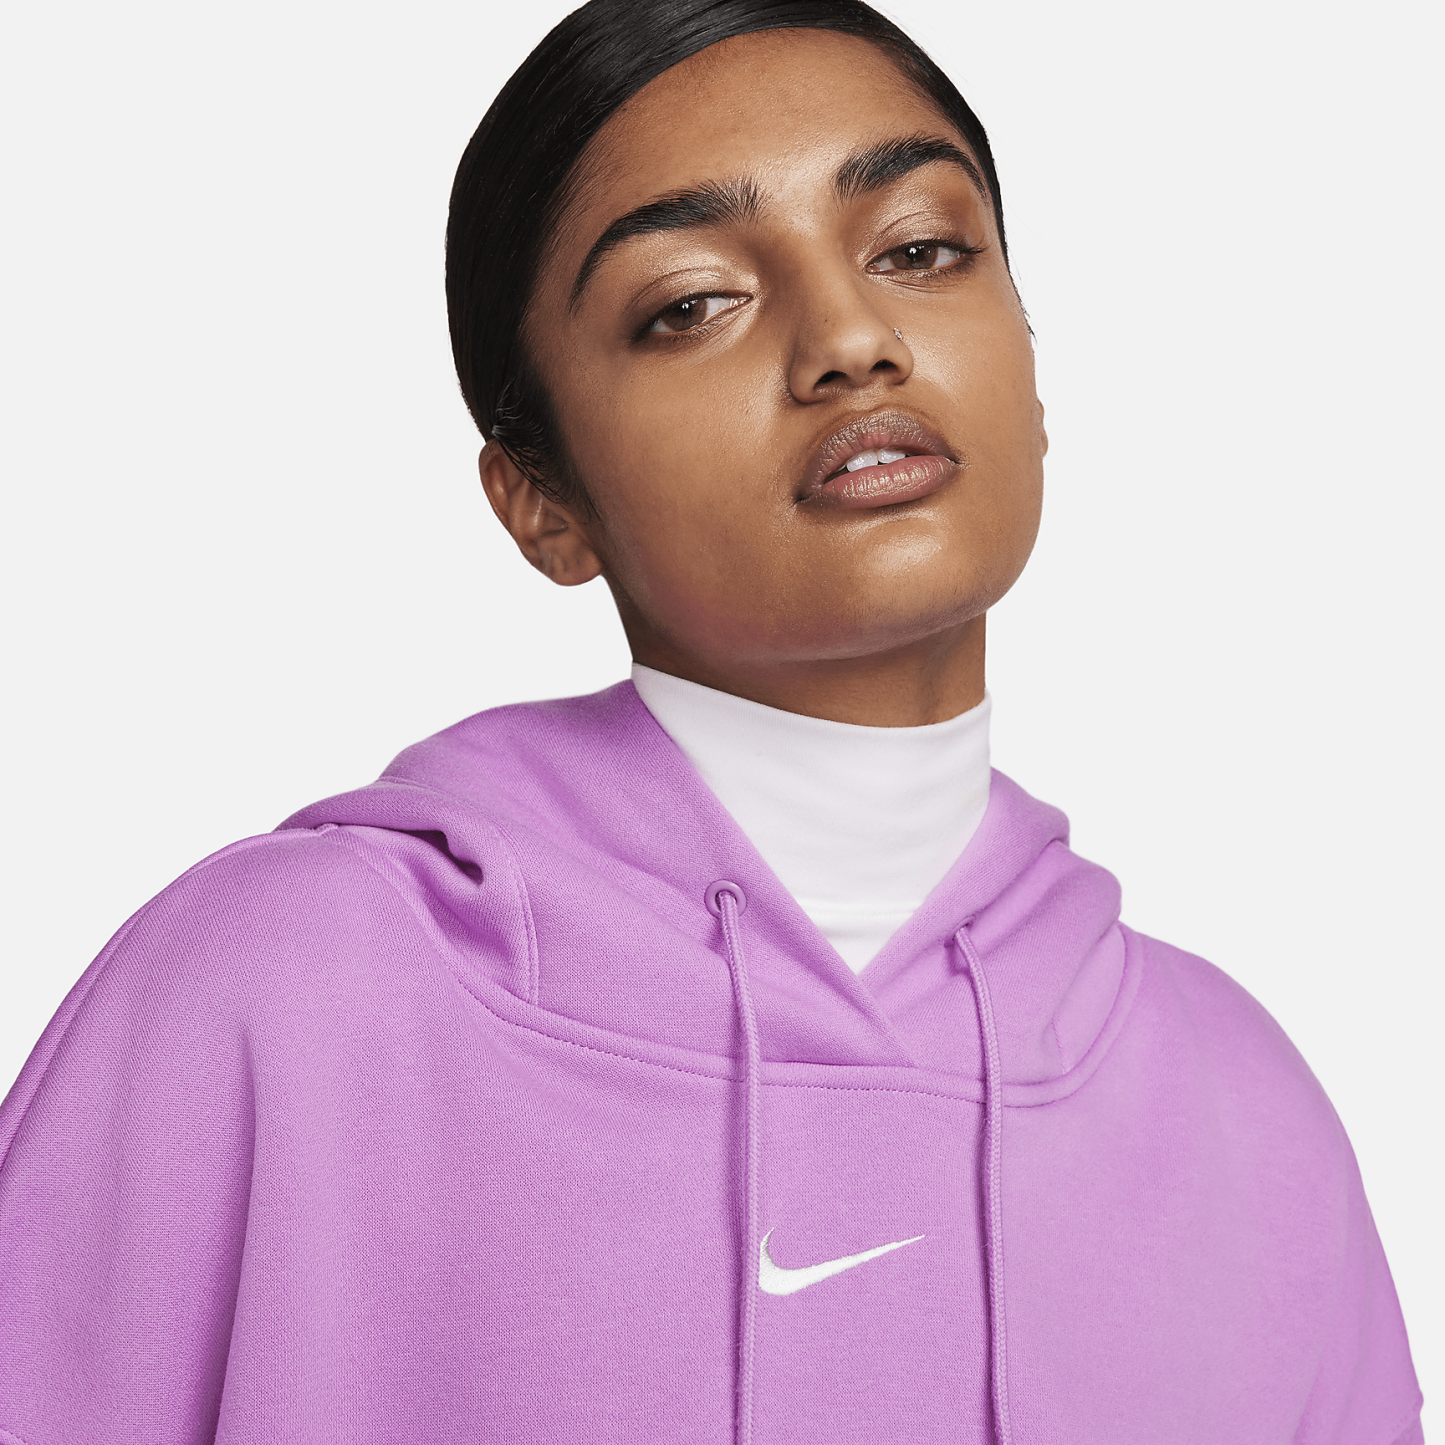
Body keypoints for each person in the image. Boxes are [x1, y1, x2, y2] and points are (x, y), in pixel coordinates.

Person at [0, 0, 1422, 1440]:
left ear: (1035, 365)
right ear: (541, 501)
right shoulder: (276, 997)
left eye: (920, 250)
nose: (852, 339)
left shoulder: (1249, 1114)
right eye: (689, 304)